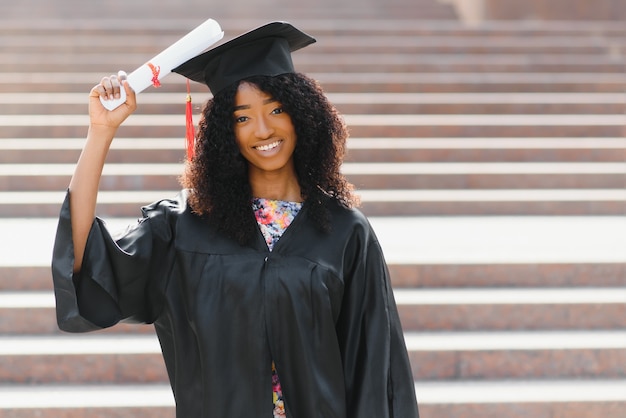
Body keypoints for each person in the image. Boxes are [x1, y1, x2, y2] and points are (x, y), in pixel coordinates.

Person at [51, 21, 419, 418]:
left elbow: (379, 371)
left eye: (276, 109)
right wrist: (100, 132)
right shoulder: (186, 226)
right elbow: (85, 265)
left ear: (303, 115)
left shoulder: (345, 231)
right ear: (226, 132)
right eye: (243, 118)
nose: (263, 129)